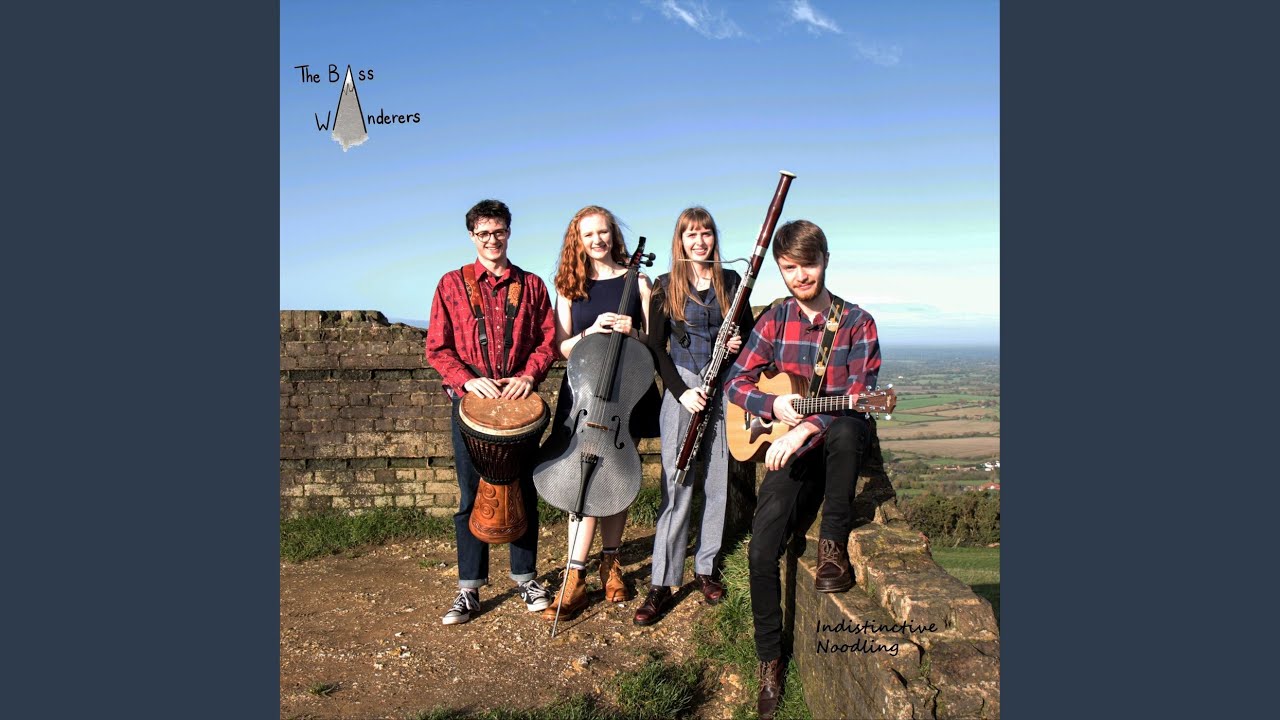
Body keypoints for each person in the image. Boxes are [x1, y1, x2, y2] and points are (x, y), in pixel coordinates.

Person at [722, 220, 882, 719]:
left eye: (807, 265)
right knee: (761, 551)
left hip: (832, 446)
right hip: (788, 449)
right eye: (788, 268)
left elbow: (861, 396)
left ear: (825, 260)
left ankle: (832, 545)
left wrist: (804, 427)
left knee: (848, 427)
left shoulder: (857, 322)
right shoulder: (775, 320)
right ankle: (770, 661)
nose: (799, 276)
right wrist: (772, 408)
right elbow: (735, 382)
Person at [424, 199, 558, 625]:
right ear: (472, 236)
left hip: (518, 407)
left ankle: (526, 579)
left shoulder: (532, 285)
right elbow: (437, 347)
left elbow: (548, 342)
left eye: (498, 232)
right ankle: (469, 589)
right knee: (470, 495)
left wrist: (530, 376)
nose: (491, 240)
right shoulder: (450, 284)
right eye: (483, 233)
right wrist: (467, 381)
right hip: (470, 407)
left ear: (508, 233)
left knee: (524, 492)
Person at [633, 207, 756, 626]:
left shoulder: (732, 282)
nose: (699, 241)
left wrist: (739, 342)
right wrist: (682, 393)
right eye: (691, 235)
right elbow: (655, 347)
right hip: (684, 389)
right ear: (680, 241)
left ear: (713, 239)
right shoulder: (665, 286)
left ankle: (706, 568)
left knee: (718, 483)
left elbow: (750, 338)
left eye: (706, 234)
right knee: (677, 483)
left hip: (723, 388)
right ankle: (662, 581)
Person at [537, 205, 660, 621]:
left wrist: (632, 330)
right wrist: (590, 331)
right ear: (578, 239)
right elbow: (561, 348)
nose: (597, 240)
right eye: (588, 234)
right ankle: (575, 575)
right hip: (585, 393)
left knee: (616, 474)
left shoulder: (638, 281)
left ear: (613, 234)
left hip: (627, 393)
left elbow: (654, 341)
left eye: (603, 232)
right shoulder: (569, 286)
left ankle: (610, 563)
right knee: (582, 478)